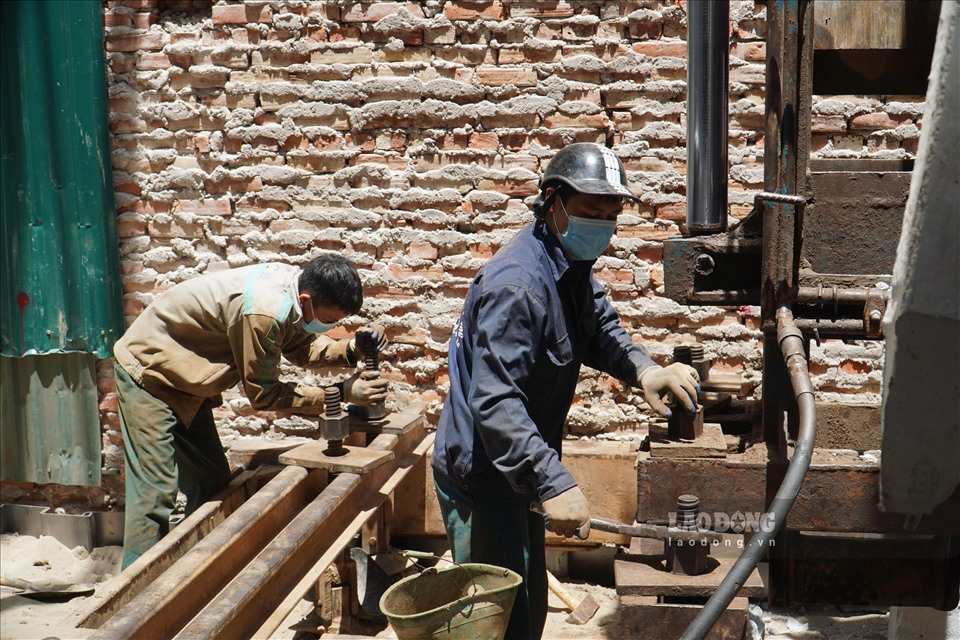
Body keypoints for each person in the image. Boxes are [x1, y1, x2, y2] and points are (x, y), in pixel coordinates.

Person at [431, 143, 701, 639]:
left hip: (518, 476)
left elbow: (598, 328)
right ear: (552, 202)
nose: (601, 226)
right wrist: (552, 479)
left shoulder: (569, 265)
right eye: (590, 213)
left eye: (610, 215)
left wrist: (643, 370)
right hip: (484, 482)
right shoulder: (519, 286)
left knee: (528, 614)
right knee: (497, 626)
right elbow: (495, 401)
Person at [113, 254, 388, 568]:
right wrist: (342, 393)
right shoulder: (265, 312)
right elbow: (264, 395)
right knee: (155, 494)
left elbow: (301, 347)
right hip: (149, 374)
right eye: (328, 320)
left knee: (211, 480)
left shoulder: (295, 291)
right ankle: (130, 594)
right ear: (306, 299)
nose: (329, 326)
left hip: (184, 380)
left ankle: (194, 569)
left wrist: (351, 350)